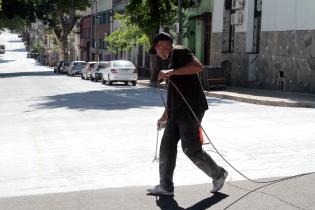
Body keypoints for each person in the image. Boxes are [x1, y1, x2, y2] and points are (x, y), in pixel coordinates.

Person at [147, 32, 228, 196]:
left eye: (155, 49)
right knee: (167, 146)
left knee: (191, 148)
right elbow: (175, 92)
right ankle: (165, 186)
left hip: (190, 109)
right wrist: (165, 115)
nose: (156, 54)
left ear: (162, 44)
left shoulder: (179, 51)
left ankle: (219, 174)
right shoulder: (171, 60)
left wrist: (169, 72)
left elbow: (198, 67)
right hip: (176, 111)